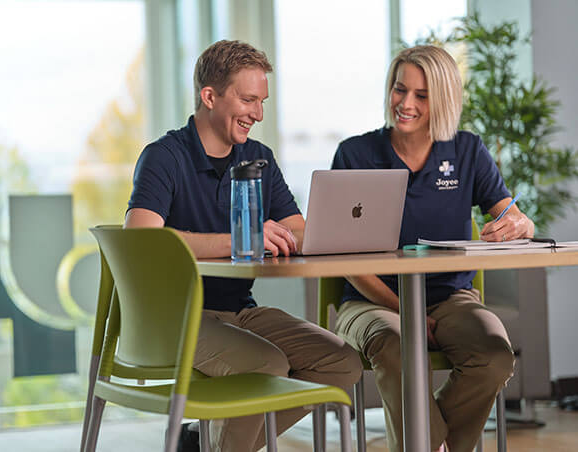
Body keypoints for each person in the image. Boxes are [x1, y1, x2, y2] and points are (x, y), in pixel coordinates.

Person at [125, 40, 363, 452]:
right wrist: (241, 241)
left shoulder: (259, 158)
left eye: (262, 101)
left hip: (240, 310)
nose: (259, 113)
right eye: (249, 99)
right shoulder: (164, 157)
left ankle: (207, 441)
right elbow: (143, 238)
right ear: (210, 96)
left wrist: (319, 232)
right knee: (265, 363)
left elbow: (298, 231)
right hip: (175, 318)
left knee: (342, 362)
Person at [331, 45, 534, 452]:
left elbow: (518, 219)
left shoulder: (467, 151)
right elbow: (342, 258)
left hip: (450, 298)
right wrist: (402, 309)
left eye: (421, 96)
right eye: (399, 89)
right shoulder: (355, 154)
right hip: (370, 303)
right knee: (396, 344)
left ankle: (425, 442)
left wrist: (518, 225)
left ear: (443, 99)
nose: (404, 104)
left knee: (494, 356)